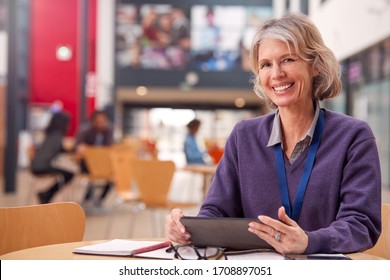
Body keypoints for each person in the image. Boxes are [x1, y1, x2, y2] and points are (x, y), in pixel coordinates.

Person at [166, 13, 381, 255]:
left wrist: (309, 242)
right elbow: (216, 212)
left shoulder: (353, 137)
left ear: (315, 65)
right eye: (265, 64)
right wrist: (189, 230)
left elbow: (362, 225)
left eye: (288, 59)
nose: (276, 73)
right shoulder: (243, 136)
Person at [31, 111, 74, 204]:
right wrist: (74, 150)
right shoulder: (56, 135)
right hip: (42, 166)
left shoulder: (50, 134)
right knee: (69, 174)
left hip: (36, 165)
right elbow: (60, 149)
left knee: (67, 173)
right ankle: (46, 194)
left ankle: (46, 194)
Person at [76, 110, 113, 209]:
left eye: (103, 121)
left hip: (103, 164)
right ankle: (87, 199)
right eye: (98, 121)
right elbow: (78, 145)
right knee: (92, 178)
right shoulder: (86, 131)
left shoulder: (108, 131)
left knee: (113, 177)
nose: (101, 124)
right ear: (93, 121)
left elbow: (109, 148)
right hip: (88, 165)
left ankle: (99, 200)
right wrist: (82, 148)